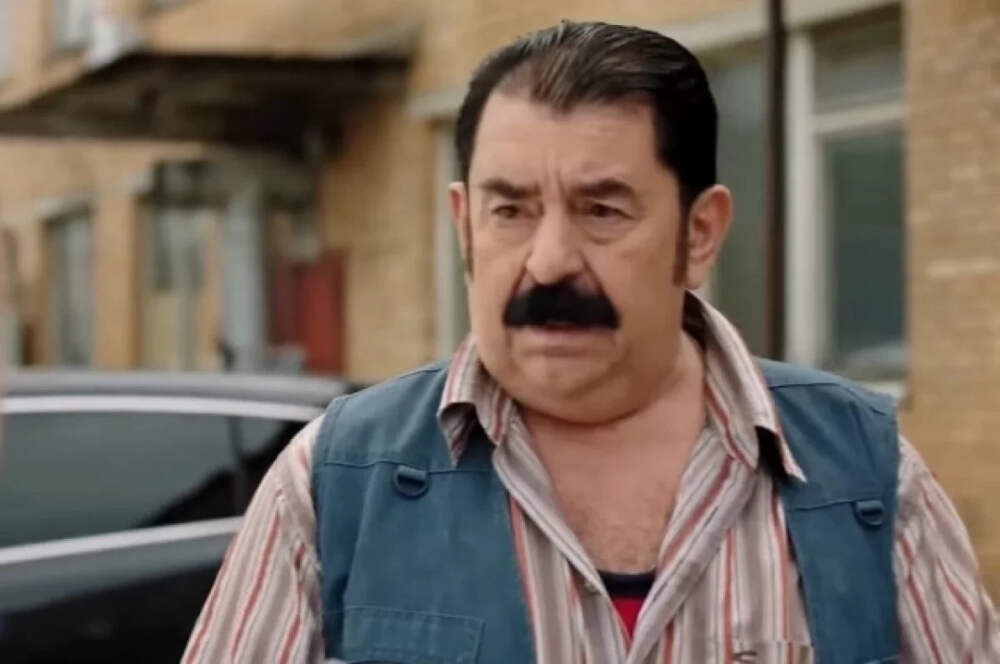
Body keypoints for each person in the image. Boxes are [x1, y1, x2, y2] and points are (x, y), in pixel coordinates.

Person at [182, 21, 999, 664]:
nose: (549, 262)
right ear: (464, 225)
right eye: (511, 210)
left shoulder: (865, 475)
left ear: (699, 233)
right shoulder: (333, 487)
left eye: (602, 210)